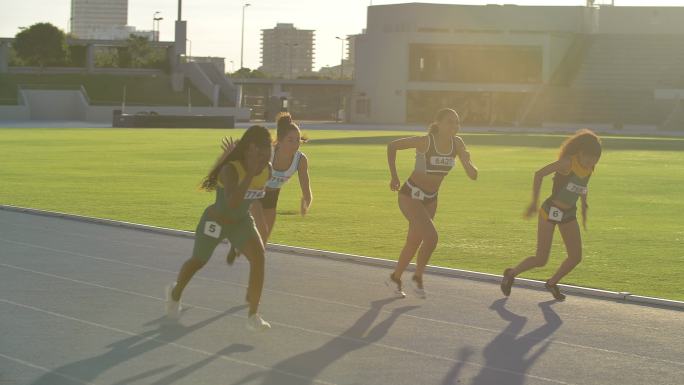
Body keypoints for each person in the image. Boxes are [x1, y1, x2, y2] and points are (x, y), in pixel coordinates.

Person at [165, 125, 273, 331]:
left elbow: (254, 201)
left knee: (259, 257)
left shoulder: (267, 170)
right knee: (198, 261)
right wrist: (249, 174)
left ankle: (253, 315)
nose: (265, 161)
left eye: (269, 154)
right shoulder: (230, 169)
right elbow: (232, 202)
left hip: (241, 223)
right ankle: (175, 293)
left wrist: (251, 235)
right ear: (250, 149)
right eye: (261, 155)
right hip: (215, 222)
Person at [500, 129, 602, 301]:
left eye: (596, 158)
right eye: (589, 157)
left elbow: (583, 185)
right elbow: (539, 174)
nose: (592, 161)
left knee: (576, 257)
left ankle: (552, 283)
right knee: (541, 259)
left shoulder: (589, 167)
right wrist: (534, 201)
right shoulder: (566, 163)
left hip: (568, 213)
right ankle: (511, 274)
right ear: (580, 152)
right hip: (550, 212)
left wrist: (584, 204)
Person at [386, 108, 478, 298]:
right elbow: (392, 146)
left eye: (457, 122)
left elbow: (473, 174)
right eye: (450, 122)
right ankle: (417, 278)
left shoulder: (457, 144)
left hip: (431, 198)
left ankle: (395, 277)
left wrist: (468, 163)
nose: (454, 126)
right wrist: (394, 177)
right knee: (431, 238)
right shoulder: (425, 141)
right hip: (410, 195)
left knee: (414, 241)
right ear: (439, 123)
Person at [223, 113, 312, 264]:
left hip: (272, 196)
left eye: (297, 139)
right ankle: (239, 245)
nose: (295, 143)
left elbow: (305, 186)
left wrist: (306, 201)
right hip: (255, 192)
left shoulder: (300, 160)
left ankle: (250, 257)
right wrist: (231, 153)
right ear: (280, 141)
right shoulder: (268, 153)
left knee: (264, 239)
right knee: (261, 229)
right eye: (290, 140)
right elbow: (244, 161)